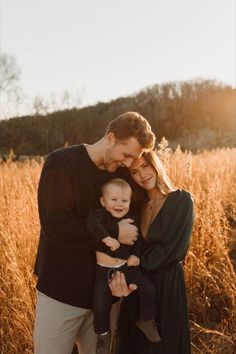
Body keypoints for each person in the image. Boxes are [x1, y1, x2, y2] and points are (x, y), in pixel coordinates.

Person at [33, 112, 156, 354]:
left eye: (135, 158)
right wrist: (113, 231)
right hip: (61, 295)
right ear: (110, 138)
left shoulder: (121, 175)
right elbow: (56, 225)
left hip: (105, 298)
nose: (130, 163)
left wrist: (125, 276)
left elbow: (133, 225)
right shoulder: (61, 163)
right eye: (127, 155)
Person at [111, 150, 194, 354]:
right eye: (134, 171)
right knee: (135, 345)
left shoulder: (181, 200)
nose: (142, 175)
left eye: (145, 166)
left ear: (155, 164)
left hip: (167, 286)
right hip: (137, 288)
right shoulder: (136, 207)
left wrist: (135, 262)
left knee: (164, 346)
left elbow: (172, 250)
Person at [86, 178, 161, 354]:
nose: (119, 204)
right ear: (103, 201)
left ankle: (147, 320)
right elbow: (92, 225)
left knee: (149, 288)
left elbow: (138, 240)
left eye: (124, 200)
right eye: (114, 200)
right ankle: (103, 335)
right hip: (103, 273)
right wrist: (108, 237)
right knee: (101, 305)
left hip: (126, 268)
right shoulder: (98, 215)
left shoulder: (131, 218)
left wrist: (135, 254)